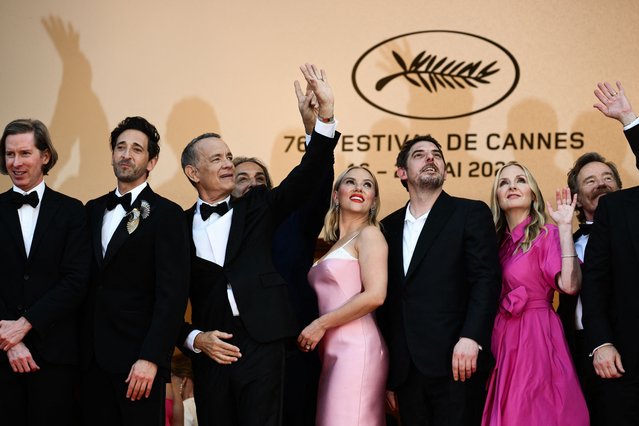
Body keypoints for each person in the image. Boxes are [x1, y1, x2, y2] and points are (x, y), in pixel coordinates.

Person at [178, 63, 339, 426]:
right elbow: (162, 296)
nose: (228, 164)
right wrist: (193, 338)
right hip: (212, 348)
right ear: (193, 173)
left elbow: (308, 175)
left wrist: (324, 118)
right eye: (216, 158)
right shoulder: (176, 225)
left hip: (265, 343)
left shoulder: (258, 207)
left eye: (228, 156)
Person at [379, 135, 501, 425]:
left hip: (458, 361)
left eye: (436, 154)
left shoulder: (470, 212)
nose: (431, 158)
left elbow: (486, 279)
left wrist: (472, 337)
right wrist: (390, 376)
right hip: (406, 371)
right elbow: (388, 303)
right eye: (419, 155)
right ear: (402, 172)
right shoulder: (387, 227)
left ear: (445, 170)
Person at [81, 116, 190, 425]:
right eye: (120, 147)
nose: (126, 155)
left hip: (137, 362)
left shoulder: (166, 215)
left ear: (151, 161)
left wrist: (151, 357)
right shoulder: (91, 209)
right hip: (90, 361)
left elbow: (172, 295)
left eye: (137, 149)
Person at [481, 161, 589, 425]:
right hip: (502, 339)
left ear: (533, 193)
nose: (512, 186)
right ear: (497, 195)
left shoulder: (546, 235)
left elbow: (570, 285)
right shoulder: (493, 243)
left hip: (536, 336)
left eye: (520, 180)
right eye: (504, 182)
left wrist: (564, 228)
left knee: (535, 413)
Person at [0, 119, 90, 425]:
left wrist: (24, 325)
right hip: (1, 354)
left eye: (25, 153)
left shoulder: (73, 211)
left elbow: (77, 281)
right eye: (9, 154)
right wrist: (8, 338)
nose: (16, 162)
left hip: (55, 356)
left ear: (45, 156)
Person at [297, 166, 388, 425]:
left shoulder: (370, 234)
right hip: (331, 352)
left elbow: (375, 295)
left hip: (357, 350)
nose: (359, 188)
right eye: (351, 182)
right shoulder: (336, 244)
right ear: (336, 195)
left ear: (373, 201)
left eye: (368, 185)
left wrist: (320, 324)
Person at [579, 81, 639, 425]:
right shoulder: (615, 209)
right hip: (626, 359)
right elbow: (595, 284)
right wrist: (600, 342)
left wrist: (630, 118)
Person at [557, 151, 622, 424]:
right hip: (577, 352)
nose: (601, 184)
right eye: (590, 181)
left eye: (608, 178)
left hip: (623, 343)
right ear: (577, 198)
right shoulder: (565, 244)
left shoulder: (632, 237)